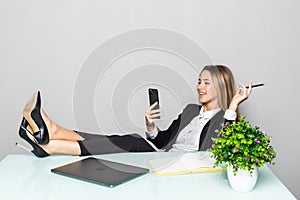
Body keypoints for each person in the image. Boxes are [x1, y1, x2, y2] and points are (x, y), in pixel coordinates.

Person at [17, 65, 252, 157]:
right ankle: (52, 140)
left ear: (221, 86)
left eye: (206, 82)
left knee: (127, 142)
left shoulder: (227, 119)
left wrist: (232, 107)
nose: (199, 86)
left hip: (180, 165)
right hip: (164, 155)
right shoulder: (191, 110)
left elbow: (219, 152)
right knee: (118, 140)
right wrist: (151, 126)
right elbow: (163, 141)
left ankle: (50, 136)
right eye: (198, 81)